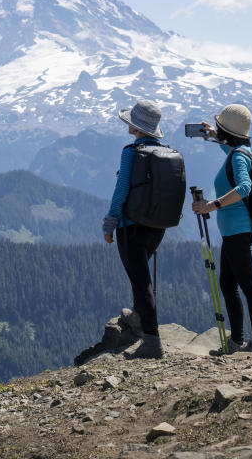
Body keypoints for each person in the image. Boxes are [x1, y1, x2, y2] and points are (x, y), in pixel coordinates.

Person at [190, 103, 252, 353]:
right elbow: (232, 150)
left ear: (227, 131)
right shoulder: (239, 151)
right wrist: (214, 136)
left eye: (220, 127)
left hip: (238, 230)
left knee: (248, 285)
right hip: (233, 231)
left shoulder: (238, 156)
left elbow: (244, 187)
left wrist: (212, 205)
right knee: (228, 284)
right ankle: (238, 341)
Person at [103, 99, 166, 359]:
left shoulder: (131, 152)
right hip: (157, 226)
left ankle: (151, 341)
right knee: (140, 276)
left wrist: (110, 221)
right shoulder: (163, 153)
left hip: (131, 227)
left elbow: (121, 191)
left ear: (136, 126)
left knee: (141, 282)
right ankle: (139, 318)